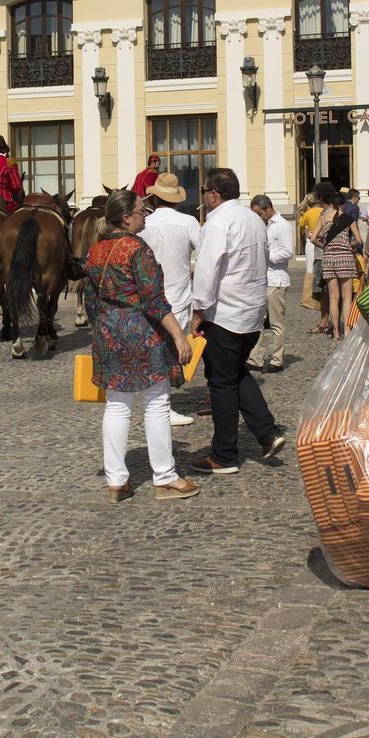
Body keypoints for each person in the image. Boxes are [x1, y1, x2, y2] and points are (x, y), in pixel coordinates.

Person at [84, 189, 198, 503]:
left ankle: (117, 481)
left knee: (117, 407)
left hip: (109, 331)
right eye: (140, 210)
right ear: (126, 218)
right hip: (141, 332)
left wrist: (103, 327)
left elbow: (90, 299)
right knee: (156, 403)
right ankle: (165, 477)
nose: (144, 215)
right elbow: (153, 301)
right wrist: (178, 335)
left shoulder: (96, 250)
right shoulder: (137, 249)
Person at [189, 168, 284, 475]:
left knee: (222, 384)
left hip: (225, 314)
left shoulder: (218, 222)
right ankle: (267, 433)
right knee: (235, 374)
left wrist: (198, 313)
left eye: (204, 191)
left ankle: (224, 454)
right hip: (251, 314)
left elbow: (207, 271)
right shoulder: (253, 219)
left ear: (213, 194)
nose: (203, 197)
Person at [139, 173, 201, 426]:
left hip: (151, 295)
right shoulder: (188, 222)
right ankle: (162, 404)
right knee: (173, 348)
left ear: (154, 198)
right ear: (176, 199)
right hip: (179, 293)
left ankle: (156, 399)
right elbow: (203, 251)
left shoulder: (144, 223)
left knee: (156, 348)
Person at [247, 195, 293, 373]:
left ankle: (277, 359)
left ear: (268, 209)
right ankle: (255, 358)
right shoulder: (262, 225)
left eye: (259, 213)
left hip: (276, 279)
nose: (258, 217)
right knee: (258, 321)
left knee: (276, 323)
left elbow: (288, 251)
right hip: (263, 279)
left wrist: (266, 255)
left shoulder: (282, 226)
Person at [314, 181, 360, 343]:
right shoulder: (347, 218)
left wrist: (325, 246)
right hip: (345, 257)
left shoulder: (323, 217)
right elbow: (358, 240)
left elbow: (313, 238)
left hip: (329, 258)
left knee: (333, 297)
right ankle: (347, 330)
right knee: (347, 296)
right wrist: (348, 244)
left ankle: (335, 333)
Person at [296, 190, 328, 324]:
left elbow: (301, 225)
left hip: (312, 241)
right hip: (325, 242)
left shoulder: (308, 213)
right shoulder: (324, 211)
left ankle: (311, 300)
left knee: (311, 270)